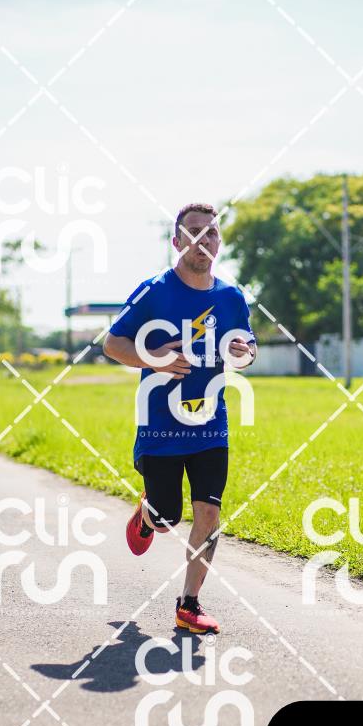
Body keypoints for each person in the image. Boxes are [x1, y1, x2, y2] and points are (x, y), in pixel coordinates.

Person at [103, 202, 256, 634]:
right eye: (193, 232)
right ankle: (147, 515)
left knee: (208, 511)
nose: (203, 239)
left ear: (218, 242)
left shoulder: (231, 297)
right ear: (176, 241)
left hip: (210, 424)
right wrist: (155, 359)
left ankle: (189, 604)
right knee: (167, 516)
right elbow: (113, 344)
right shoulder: (154, 291)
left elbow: (247, 345)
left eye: (211, 232)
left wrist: (244, 354)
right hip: (161, 427)